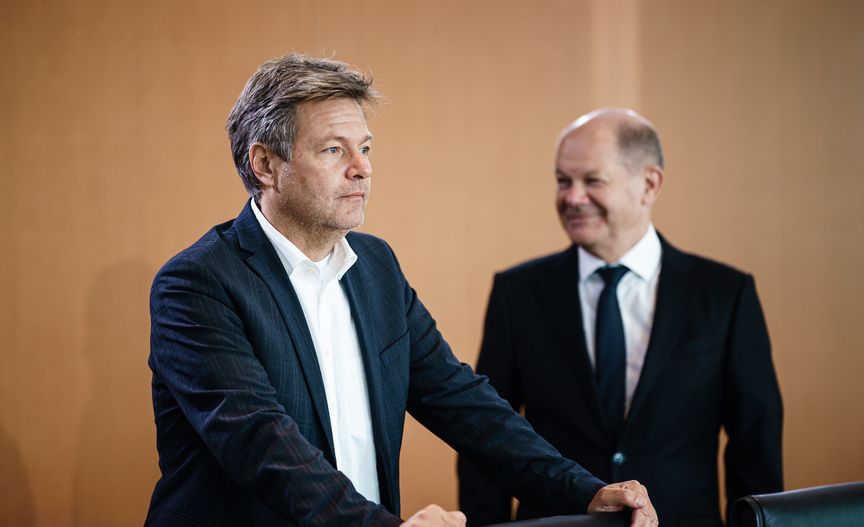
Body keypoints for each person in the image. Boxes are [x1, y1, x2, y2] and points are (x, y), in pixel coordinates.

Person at [144, 55, 658, 527]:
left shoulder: (376, 267)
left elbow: (459, 400)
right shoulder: (197, 283)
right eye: (333, 150)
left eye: (365, 148)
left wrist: (582, 491)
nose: (361, 167)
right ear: (264, 166)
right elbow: (260, 442)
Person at [457, 109, 783, 526]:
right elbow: (487, 434)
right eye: (562, 180)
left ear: (649, 184)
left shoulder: (724, 293)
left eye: (592, 180)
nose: (572, 197)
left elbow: (755, 443)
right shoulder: (518, 292)